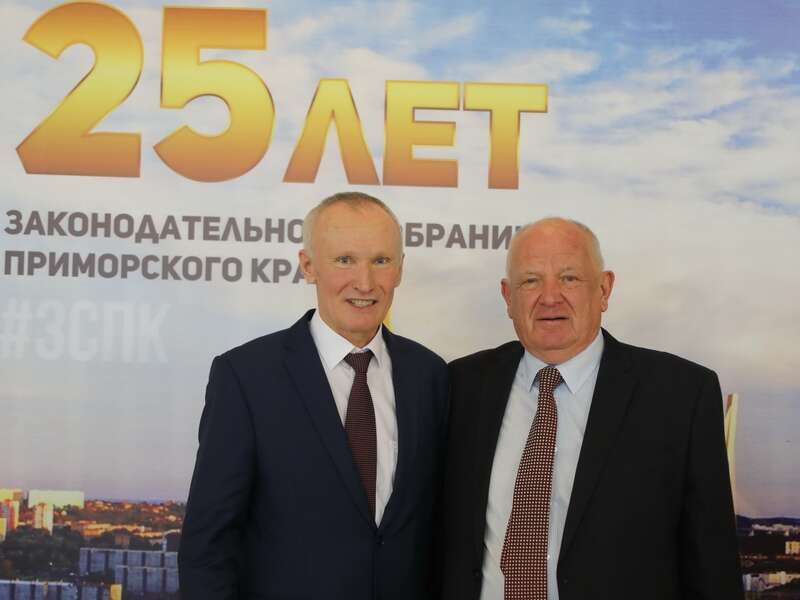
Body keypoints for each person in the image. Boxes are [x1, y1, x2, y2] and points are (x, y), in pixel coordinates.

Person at [438, 217, 742, 600]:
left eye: (569, 278)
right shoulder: (460, 384)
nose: (550, 297)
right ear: (507, 296)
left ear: (604, 289)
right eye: (530, 281)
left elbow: (713, 565)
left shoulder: (681, 395)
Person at [179, 192, 448, 600]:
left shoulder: (430, 375)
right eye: (345, 260)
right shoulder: (246, 377)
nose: (365, 282)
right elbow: (207, 547)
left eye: (380, 261)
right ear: (308, 266)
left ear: (400, 269)